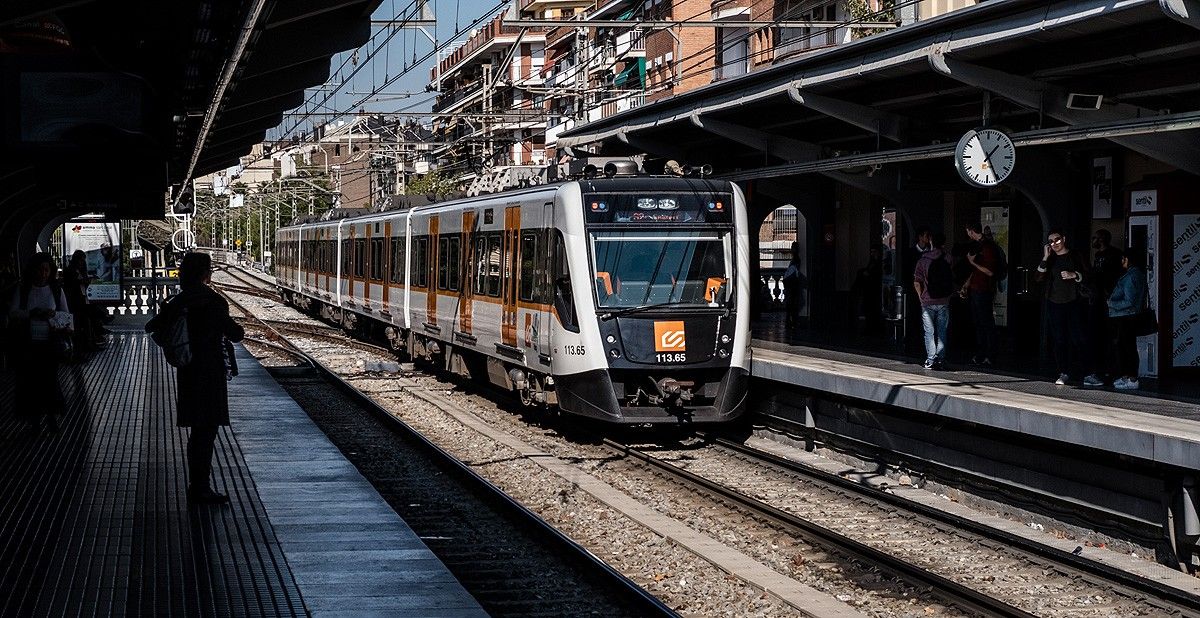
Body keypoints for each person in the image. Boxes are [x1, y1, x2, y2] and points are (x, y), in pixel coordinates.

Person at [147, 252, 244, 504]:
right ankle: (200, 488)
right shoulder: (212, 301)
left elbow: (152, 327)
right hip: (210, 372)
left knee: (197, 431)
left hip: (188, 371)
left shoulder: (181, 300)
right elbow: (235, 334)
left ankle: (197, 484)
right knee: (206, 431)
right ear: (205, 274)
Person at [7, 253, 70, 432]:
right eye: (39, 270)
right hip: (28, 343)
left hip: (50, 343)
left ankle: (51, 417)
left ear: (50, 271)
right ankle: (34, 419)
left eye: (46, 270)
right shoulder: (24, 289)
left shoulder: (56, 290)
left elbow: (65, 314)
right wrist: (31, 313)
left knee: (49, 380)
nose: (43, 274)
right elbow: (13, 313)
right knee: (30, 381)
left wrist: (52, 315)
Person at [1035, 229, 1091, 386]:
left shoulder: (1075, 255)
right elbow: (1038, 277)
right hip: (1054, 302)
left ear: (1064, 239)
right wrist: (1045, 257)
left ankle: (1087, 372)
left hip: (1074, 301)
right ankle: (1063, 372)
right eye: (1051, 241)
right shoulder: (1051, 259)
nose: (1054, 244)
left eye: (1057, 240)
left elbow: (1089, 274)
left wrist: (1075, 275)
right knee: (1059, 339)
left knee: (1079, 338)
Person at [1107, 249, 1146, 390]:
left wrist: (1111, 304)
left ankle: (1132, 378)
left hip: (1126, 317)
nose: (1122, 261)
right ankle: (1126, 376)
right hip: (1126, 316)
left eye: (1123, 258)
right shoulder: (1134, 275)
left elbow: (1130, 301)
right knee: (1125, 347)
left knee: (1127, 347)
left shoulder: (1131, 276)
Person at [1087, 229, 1123, 382]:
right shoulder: (1098, 255)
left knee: (1110, 336)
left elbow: (1113, 276)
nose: (1093, 240)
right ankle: (1100, 369)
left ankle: (1111, 370)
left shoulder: (1114, 254)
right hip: (1098, 299)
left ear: (1101, 239)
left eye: (1095, 238)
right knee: (1098, 335)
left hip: (1110, 300)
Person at [914, 232, 953, 369]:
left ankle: (930, 360)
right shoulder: (948, 258)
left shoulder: (923, 260)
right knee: (942, 331)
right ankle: (940, 359)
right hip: (944, 300)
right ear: (943, 243)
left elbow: (917, 282)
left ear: (931, 241)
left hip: (927, 300)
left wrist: (921, 297)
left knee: (929, 332)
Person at [962, 222, 999, 365]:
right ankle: (982, 353)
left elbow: (989, 271)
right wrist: (967, 283)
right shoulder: (981, 245)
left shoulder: (986, 247)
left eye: (967, 231)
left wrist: (973, 263)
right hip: (977, 288)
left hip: (983, 290)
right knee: (979, 322)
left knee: (985, 322)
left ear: (971, 231)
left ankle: (989, 354)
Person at [782, 242, 808, 329]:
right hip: (793, 285)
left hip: (791, 285)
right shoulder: (796, 259)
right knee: (793, 304)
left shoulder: (795, 259)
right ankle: (792, 322)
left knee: (791, 304)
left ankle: (789, 322)